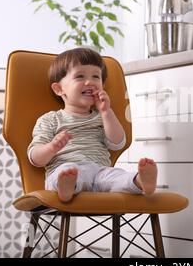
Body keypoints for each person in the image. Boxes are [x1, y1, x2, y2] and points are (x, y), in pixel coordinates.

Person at [27, 48, 157, 202]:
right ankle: (67, 187)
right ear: (59, 89)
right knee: (65, 172)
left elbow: (117, 143)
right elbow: (35, 158)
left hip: (100, 171)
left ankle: (139, 181)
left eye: (96, 76)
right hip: (66, 167)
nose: (90, 82)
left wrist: (106, 112)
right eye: (80, 76)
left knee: (118, 176)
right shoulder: (50, 119)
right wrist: (52, 147)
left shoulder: (102, 117)